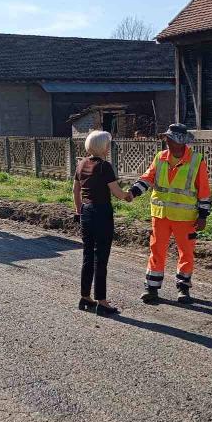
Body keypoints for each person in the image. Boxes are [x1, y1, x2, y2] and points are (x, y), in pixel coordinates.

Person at [128, 123, 212, 304]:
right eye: (167, 138)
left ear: (180, 142)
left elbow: (204, 191)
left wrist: (203, 216)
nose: (166, 141)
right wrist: (133, 192)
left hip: (185, 217)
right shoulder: (160, 157)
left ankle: (183, 288)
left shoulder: (197, 161)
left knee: (186, 252)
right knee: (156, 250)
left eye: (170, 139)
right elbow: (147, 178)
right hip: (160, 215)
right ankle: (151, 288)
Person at [73, 130, 133, 316]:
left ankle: (85, 297)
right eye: (108, 144)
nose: (109, 148)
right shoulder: (104, 166)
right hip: (102, 213)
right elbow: (117, 192)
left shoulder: (81, 164)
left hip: (86, 212)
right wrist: (128, 195)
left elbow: (75, 191)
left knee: (87, 256)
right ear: (102, 146)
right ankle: (102, 302)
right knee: (101, 258)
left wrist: (79, 210)